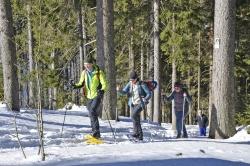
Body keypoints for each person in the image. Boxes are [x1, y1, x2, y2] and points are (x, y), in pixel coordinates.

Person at [70, 56, 107, 138]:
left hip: (97, 94)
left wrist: (102, 90)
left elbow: (104, 83)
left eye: (88, 64)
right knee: (91, 113)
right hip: (89, 96)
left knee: (93, 111)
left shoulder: (98, 72)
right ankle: (94, 131)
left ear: (91, 64)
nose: (86, 66)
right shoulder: (84, 72)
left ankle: (96, 133)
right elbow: (81, 83)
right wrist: (74, 86)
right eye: (85, 65)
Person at [117, 70, 151, 140]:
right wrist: (119, 90)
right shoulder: (130, 84)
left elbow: (149, 94)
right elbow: (124, 92)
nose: (132, 81)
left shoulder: (141, 84)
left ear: (136, 78)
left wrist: (145, 99)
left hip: (140, 103)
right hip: (132, 103)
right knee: (135, 118)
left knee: (133, 115)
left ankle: (136, 133)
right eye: (130, 80)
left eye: (133, 80)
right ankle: (139, 135)